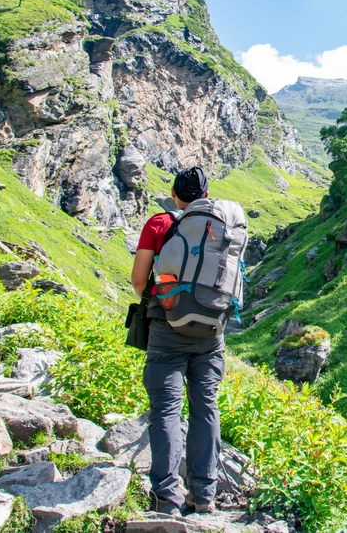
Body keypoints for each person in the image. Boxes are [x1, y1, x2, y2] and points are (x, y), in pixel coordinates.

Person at [136, 166, 224, 516]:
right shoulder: (220, 225)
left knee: (166, 409)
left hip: (167, 329)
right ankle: (204, 494)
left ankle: (166, 497)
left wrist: (167, 305)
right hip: (211, 332)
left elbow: (139, 280)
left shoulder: (159, 224)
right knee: (205, 406)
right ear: (205, 197)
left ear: (174, 193)